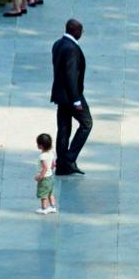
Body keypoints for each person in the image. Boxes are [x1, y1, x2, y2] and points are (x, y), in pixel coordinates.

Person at [51, 19, 90, 175]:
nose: (81, 34)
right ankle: (68, 159)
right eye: (80, 31)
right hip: (71, 95)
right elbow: (71, 75)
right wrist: (76, 100)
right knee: (87, 123)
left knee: (64, 128)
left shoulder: (58, 44)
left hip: (60, 94)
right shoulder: (72, 49)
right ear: (76, 31)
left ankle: (62, 165)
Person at [34, 132, 57, 215]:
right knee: (51, 193)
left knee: (43, 194)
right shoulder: (51, 153)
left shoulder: (42, 156)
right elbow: (53, 164)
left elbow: (44, 168)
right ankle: (53, 207)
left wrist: (40, 177)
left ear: (41, 146)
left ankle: (44, 208)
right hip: (50, 177)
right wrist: (51, 170)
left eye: (38, 143)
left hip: (44, 179)